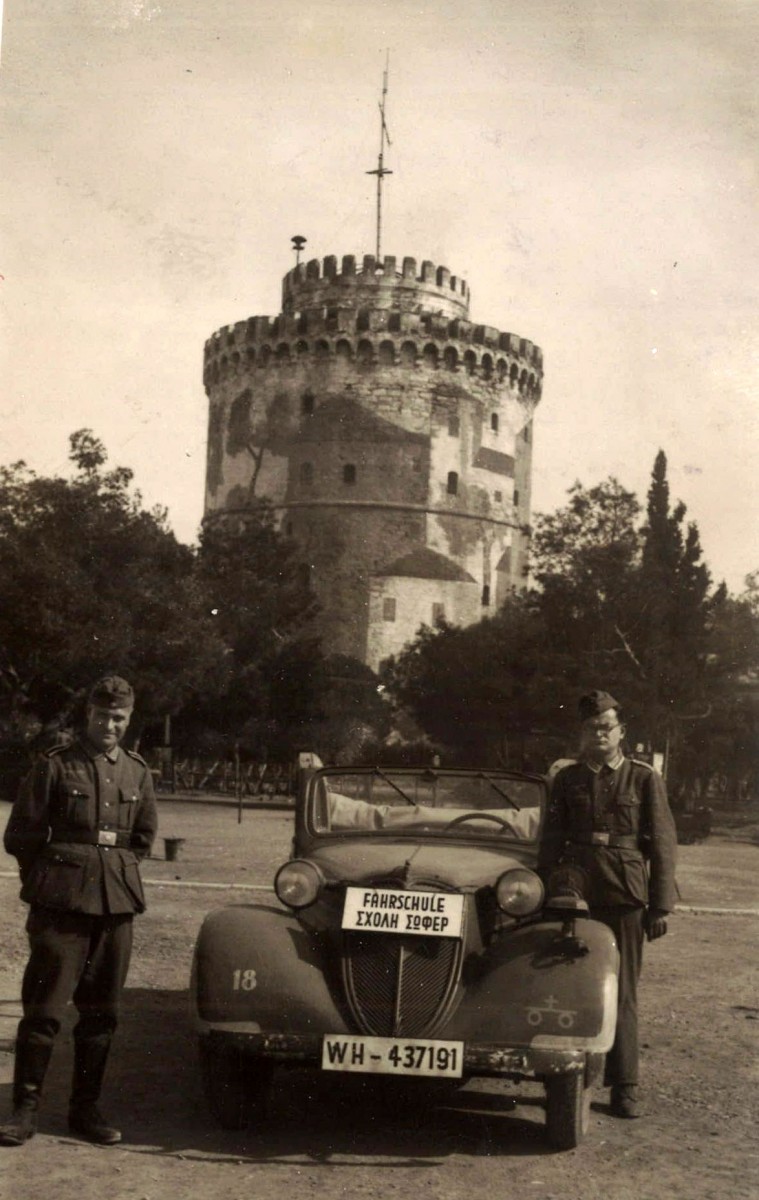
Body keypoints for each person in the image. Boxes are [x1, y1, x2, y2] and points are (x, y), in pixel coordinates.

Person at [0, 676, 157, 1147]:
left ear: (127, 722)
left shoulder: (137, 772)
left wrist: (109, 873)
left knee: (102, 1014)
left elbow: (143, 838)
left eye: (119, 718)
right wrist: (51, 879)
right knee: (44, 1011)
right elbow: (21, 836)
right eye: (102, 715)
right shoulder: (55, 766)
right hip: (61, 905)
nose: (110, 724)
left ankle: (84, 1111)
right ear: (87, 715)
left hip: (116, 907)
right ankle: (24, 1112)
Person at [537, 689, 677, 1120]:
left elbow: (663, 844)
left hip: (625, 894)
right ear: (581, 734)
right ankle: (565, 1079)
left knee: (624, 992)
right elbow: (551, 841)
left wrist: (660, 906)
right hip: (575, 895)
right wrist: (543, 894)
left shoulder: (642, 778)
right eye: (591, 728)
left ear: (622, 733)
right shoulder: (568, 780)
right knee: (567, 984)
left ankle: (625, 1086)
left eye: (606, 727)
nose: (599, 734)